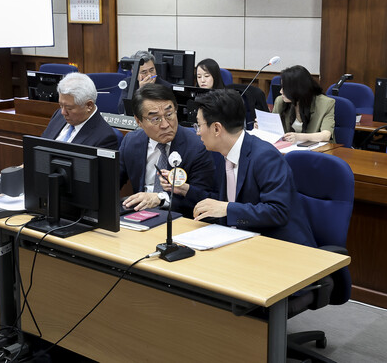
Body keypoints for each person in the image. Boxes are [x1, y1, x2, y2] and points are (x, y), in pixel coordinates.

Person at [162, 89, 316, 247]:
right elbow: (224, 201)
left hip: (281, 245)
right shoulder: (224, 153)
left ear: (216, 128)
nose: (197, 132)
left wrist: (228, 209)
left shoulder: (265, 157)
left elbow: (277, 211)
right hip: (242, 239)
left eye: (199, 125)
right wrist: (186, 190)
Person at [120, 84, 215, 218]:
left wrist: (161, 199)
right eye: (155, 119)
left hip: (180, 219)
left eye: (169, 114)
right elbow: (111, 183)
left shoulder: (197, 147)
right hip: (139, 215)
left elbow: (203, 198)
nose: (165, 125)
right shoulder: (131, 142)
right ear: (138, 121)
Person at [41, 72, 119, 150]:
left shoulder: (105, 138)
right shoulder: (58, 115)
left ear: (89, 106)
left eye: (69, 108)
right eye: (61, 105)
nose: (63, 112)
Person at [271, 65, 334, 144]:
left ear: (297, 89)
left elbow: (326, 135)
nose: (280, 91)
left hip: (318, 149)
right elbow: (273, 127)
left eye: (285, 88)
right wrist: (262, 126)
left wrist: (299, 137)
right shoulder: (280, 101)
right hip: (288, 148)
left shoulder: (326, 104)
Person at [117, 50, 173, 114]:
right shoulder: (128, 83)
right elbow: (122, 110)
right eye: (144, 72)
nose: (149, 75)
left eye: (151, 70)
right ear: (133, 72)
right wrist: (140, 91)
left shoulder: (165, 87)